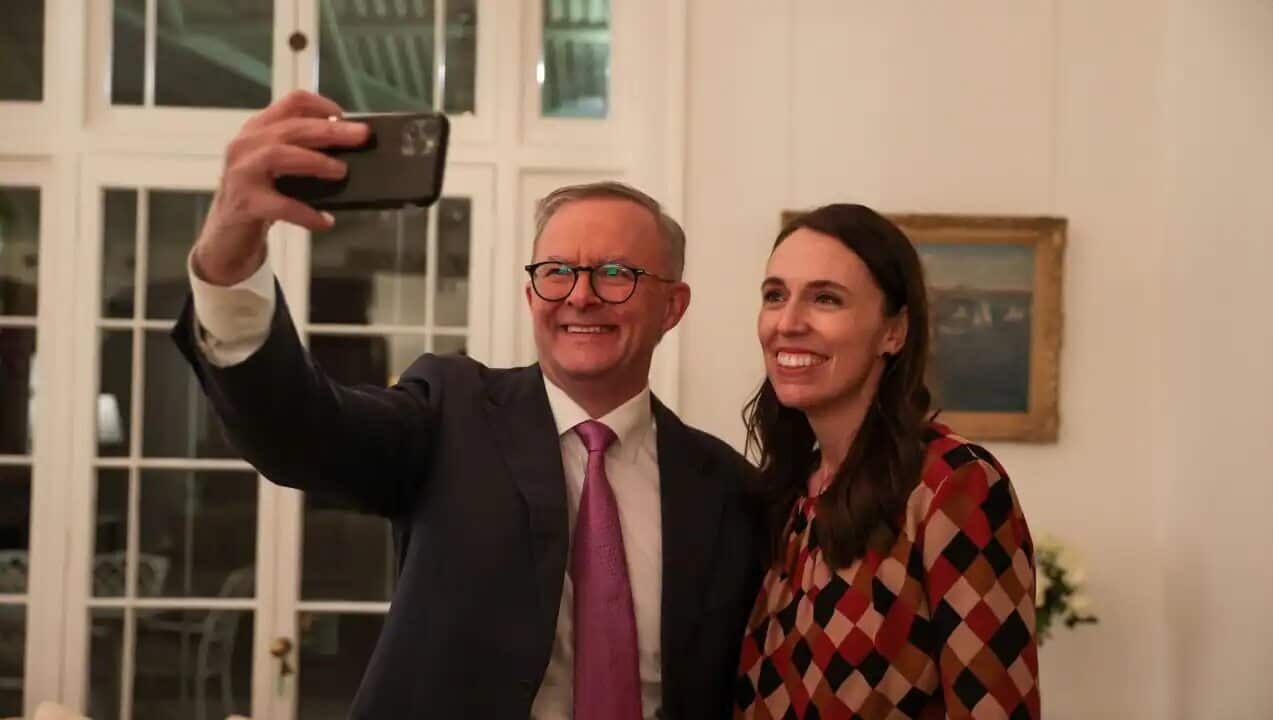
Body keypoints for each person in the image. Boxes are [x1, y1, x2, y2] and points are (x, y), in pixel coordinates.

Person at [171, 90, 760, 719]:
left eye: (616, 274)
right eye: (556, 271)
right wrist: (229, 261)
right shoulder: (451, 412)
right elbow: (299, 433)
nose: (581, 297)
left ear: (673, 306)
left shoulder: (727, 490)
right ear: (532, 296)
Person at [735, 204, 1039, 719]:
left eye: (825, 298)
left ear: (893, 332)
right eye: (775, 296)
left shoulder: (953, 484)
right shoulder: (786, 492)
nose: (788, 323)